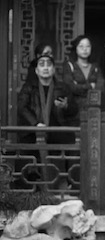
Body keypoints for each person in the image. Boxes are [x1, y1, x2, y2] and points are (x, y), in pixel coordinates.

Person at [17, 51, 78, 187]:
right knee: (24, 148)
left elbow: (74, 110)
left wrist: (66, 106)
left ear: (53, 69)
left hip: (56, 129)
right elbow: (22, 108)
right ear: (36, 70)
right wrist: (35, 124)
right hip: (34, 131)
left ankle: (72, 184)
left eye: (49, 65)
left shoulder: (62, 87)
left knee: (73, 145)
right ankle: (27, 187)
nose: (45, 67)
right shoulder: (29, 87)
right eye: (42, 64)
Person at [63, 34, 104, 122]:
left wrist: (79, 86)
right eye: (81, 46)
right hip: (74, 112)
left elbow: (101, 87)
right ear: (76, 48)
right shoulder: (69, 65)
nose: (85, 49)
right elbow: (71, 87)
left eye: (87, 46)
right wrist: (91, 86)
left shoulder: (95, 67)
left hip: (93, 112)